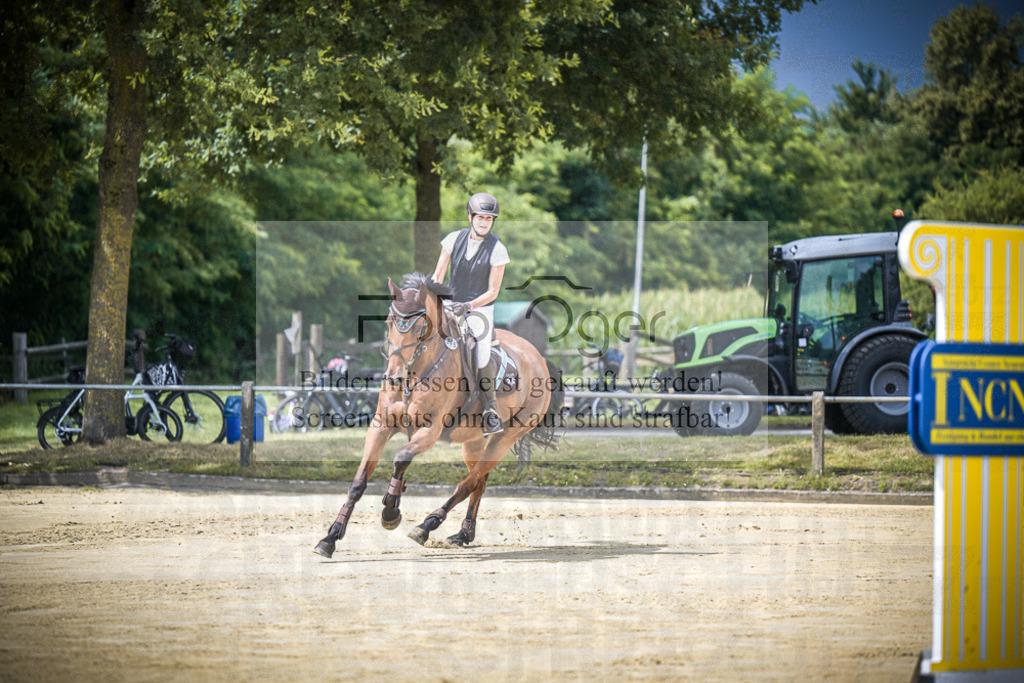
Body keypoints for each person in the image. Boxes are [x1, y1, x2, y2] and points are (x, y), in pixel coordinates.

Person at [432, 191, 510, 435]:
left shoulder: (498, 249)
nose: (485, 222)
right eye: (480, 217)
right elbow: (438, 276)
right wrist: (436, 298)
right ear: (470, 217)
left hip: (480, 309)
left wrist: (469, 306)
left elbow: (493, 291)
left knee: (481, 351)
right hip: (449, 303)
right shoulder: (453, 239)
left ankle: (490, 409)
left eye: (489, 219)